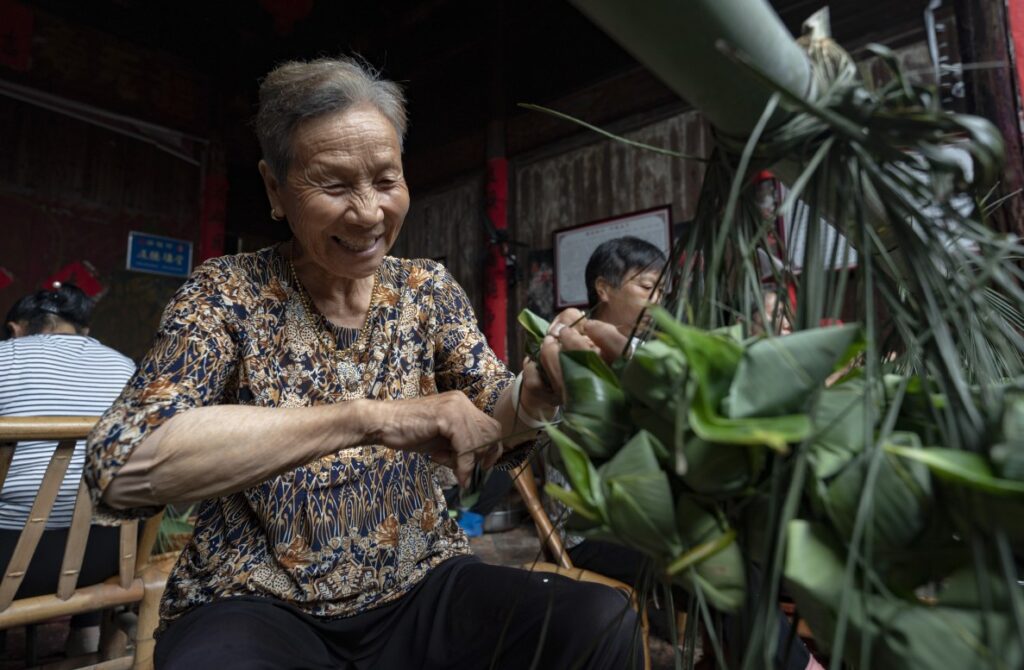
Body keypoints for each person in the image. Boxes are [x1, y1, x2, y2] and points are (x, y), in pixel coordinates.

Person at [85, 57, 641, 670]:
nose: (369, 213)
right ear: (275, 189)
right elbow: (125, 465)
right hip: (257, 600)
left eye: (385, 180)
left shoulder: (426, 288)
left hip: (420, 581)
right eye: (333, 185)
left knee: (596, 620)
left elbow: (488, 417)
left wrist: (535, 393)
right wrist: (368, 418)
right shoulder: (227, 292)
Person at [547, 237, 822, 670]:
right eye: (647, 289)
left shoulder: (643, 351)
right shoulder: (568, 349)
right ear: (604, 288)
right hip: (594, 531)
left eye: (662, 292)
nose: (658, 303)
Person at [0, 283, 136, 656]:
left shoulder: (5, 357)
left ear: (16, 329)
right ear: (84, 332)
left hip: (7, 559)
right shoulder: (126, 367)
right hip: (108, 559)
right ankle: (85, 641)